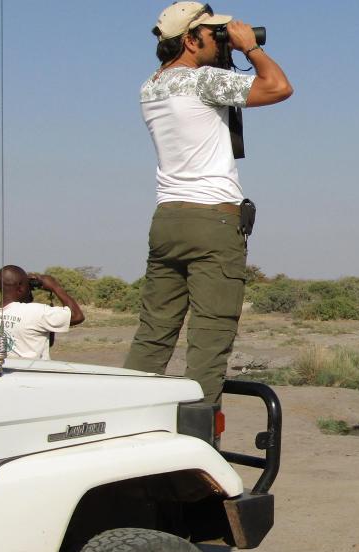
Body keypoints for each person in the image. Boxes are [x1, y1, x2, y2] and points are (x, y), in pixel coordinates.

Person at [124, 2, 293, 403]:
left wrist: (224, 53)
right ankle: (198, 436)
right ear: (189, 39)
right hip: (212, 222)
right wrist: (250, 48)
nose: (222, 39)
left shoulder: (151, 85)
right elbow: (279, 87)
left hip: (168, 219)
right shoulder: (203, 82)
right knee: (209, 338)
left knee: (153, 333)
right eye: (213, 34)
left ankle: (125, 419)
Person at [0, 265, 85, 360]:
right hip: (35, 373)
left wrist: (25, 289)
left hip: (7, 371)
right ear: (20, 287)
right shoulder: (37, 312)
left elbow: (17, 311)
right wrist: (55, 286)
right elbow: (77, 316)